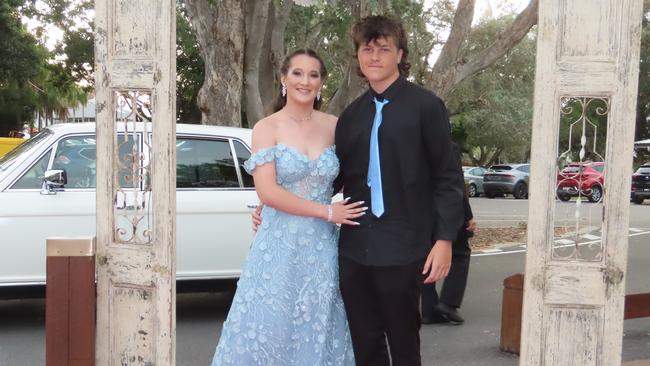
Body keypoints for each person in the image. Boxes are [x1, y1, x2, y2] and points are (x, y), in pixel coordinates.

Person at [210, 49, 361, 365]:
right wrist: (327, 212)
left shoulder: (336, 126)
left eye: (313, 75)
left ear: (321, 83)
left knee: (317, 322)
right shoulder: (268, 127)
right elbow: (268, 191)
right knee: (270, 323)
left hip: (321, 247)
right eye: (297, 73)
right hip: (277, 242)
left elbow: (354, 177)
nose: (305, 81)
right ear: (283, 79)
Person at [333, 16, 463, 365]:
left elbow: (447, 177)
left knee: (405, 345)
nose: (374, 56)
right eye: (367, 49)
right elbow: (332, 179)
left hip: (406, 247)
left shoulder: (426, 106)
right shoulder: (349, 117)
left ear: (399, 54)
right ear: (359, 56)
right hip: (355, 250)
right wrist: (278, 207)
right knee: (365, 344)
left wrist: (445, 239)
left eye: (383, 49)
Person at [421, 143, 476, 325]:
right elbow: (456, 182)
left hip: (421, 210)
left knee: (427, 257)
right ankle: (449, 302)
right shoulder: (447, 146)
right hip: (447, 209)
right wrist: (468, 215)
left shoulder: (412, 142)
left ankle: (428, 309)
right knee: (461, 253)